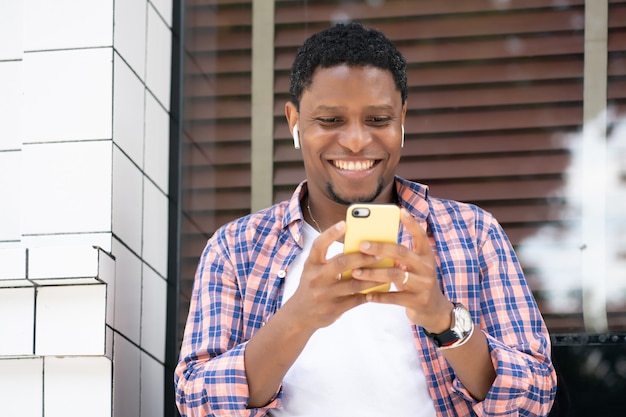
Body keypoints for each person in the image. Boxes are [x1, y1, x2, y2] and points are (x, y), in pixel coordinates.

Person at [174, 22, 557, 417]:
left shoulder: (473, 233)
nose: (356, 140)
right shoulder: (235, 248)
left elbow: (534, 397)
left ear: (402, 120)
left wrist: (444, 319)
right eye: (330, 120)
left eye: (377, 120)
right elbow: (196, 403)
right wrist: (298, 317)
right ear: (294, 123)